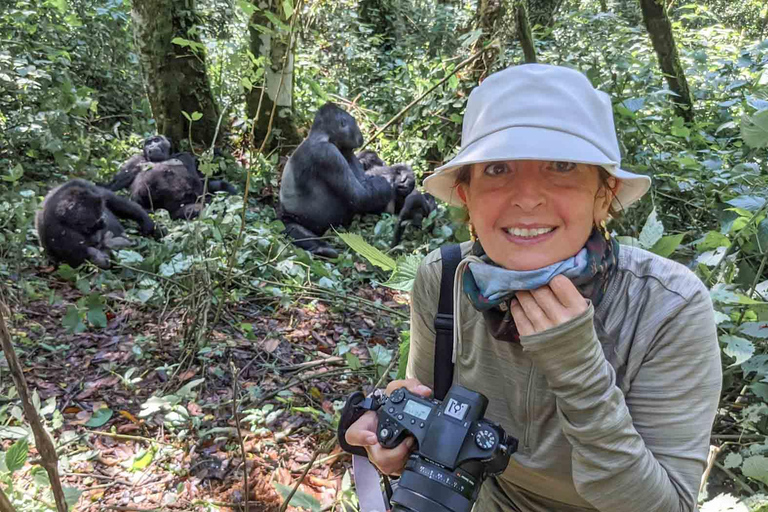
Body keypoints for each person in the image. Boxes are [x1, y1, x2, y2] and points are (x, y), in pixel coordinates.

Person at [342, 63, 722, 512]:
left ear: (605, 193)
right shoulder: (444, 279)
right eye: (498, 168)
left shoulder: (667, 306)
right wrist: (394, 442)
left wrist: (578, 369)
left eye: (561, 166)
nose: (526, 197)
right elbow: (433, 421)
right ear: (466, 194)